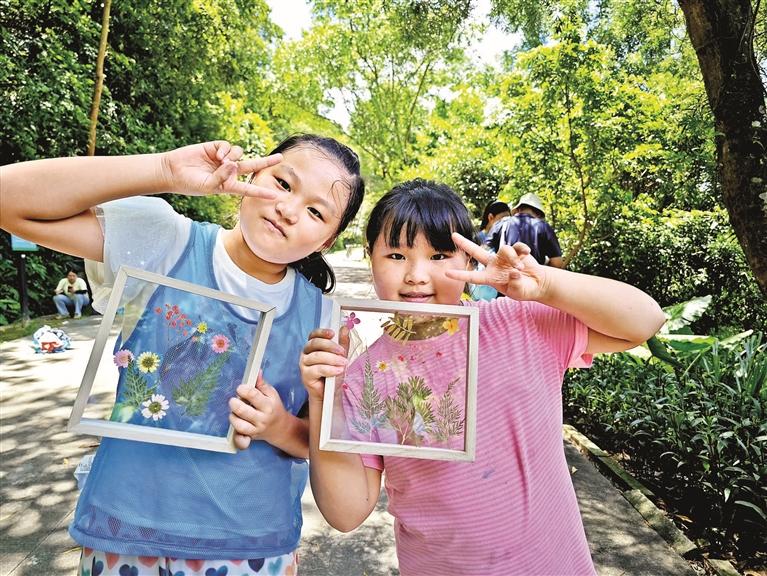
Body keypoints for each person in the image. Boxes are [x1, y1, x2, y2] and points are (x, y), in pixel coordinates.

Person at [0, 135, 365, 575]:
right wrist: (164, 170)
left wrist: (279, 426)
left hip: (250, 550)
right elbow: (8, 199)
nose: (288, 209)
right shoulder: (166, 242)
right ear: (252, 173)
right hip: (125, 532)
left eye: (315, 212)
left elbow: (321, 446)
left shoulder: (325, 319)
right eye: (283, 184)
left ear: (328, 240)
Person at [299, 179, 665, 575]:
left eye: (439, 255)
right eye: (396, 255)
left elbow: (645, 320)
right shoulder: (361, 377)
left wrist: (544, 285)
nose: (417, 275)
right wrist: (323, 400)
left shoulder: (521, 324)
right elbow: (347, 513)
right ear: (370, 256)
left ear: (470, 262)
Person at [487, 192, 564, 268]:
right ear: (538, 213)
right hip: (533, 274)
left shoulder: (501, 224)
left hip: (504, 274)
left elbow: (485, 251)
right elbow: (557, 263)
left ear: (518, 209)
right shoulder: (544, 227)